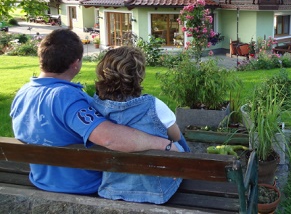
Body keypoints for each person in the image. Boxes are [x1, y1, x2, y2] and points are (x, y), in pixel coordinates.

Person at [10, 29, 177, 195]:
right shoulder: (64, 96)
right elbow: (110, 139)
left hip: (41, 179)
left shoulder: (23, 92)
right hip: (78, 185)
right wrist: (163, 145)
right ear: (75, 64)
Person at [91, 46, 189, 204]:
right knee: (178, 142)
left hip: (113, 185)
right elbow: (175, 136)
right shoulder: (153, 106)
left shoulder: (95, 106)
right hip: (155, 189)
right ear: (138, 75)